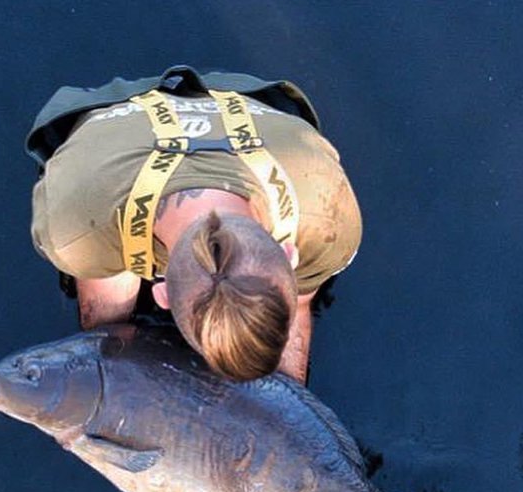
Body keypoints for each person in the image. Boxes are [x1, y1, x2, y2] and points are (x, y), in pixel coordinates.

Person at [26, 65, 362, 384]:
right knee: (102, 281)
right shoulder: (79, 228)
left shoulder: (326, 214)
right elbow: (106, 327)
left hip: (257, 111)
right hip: (108, 122)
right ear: (289, 255)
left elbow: (299, 301)